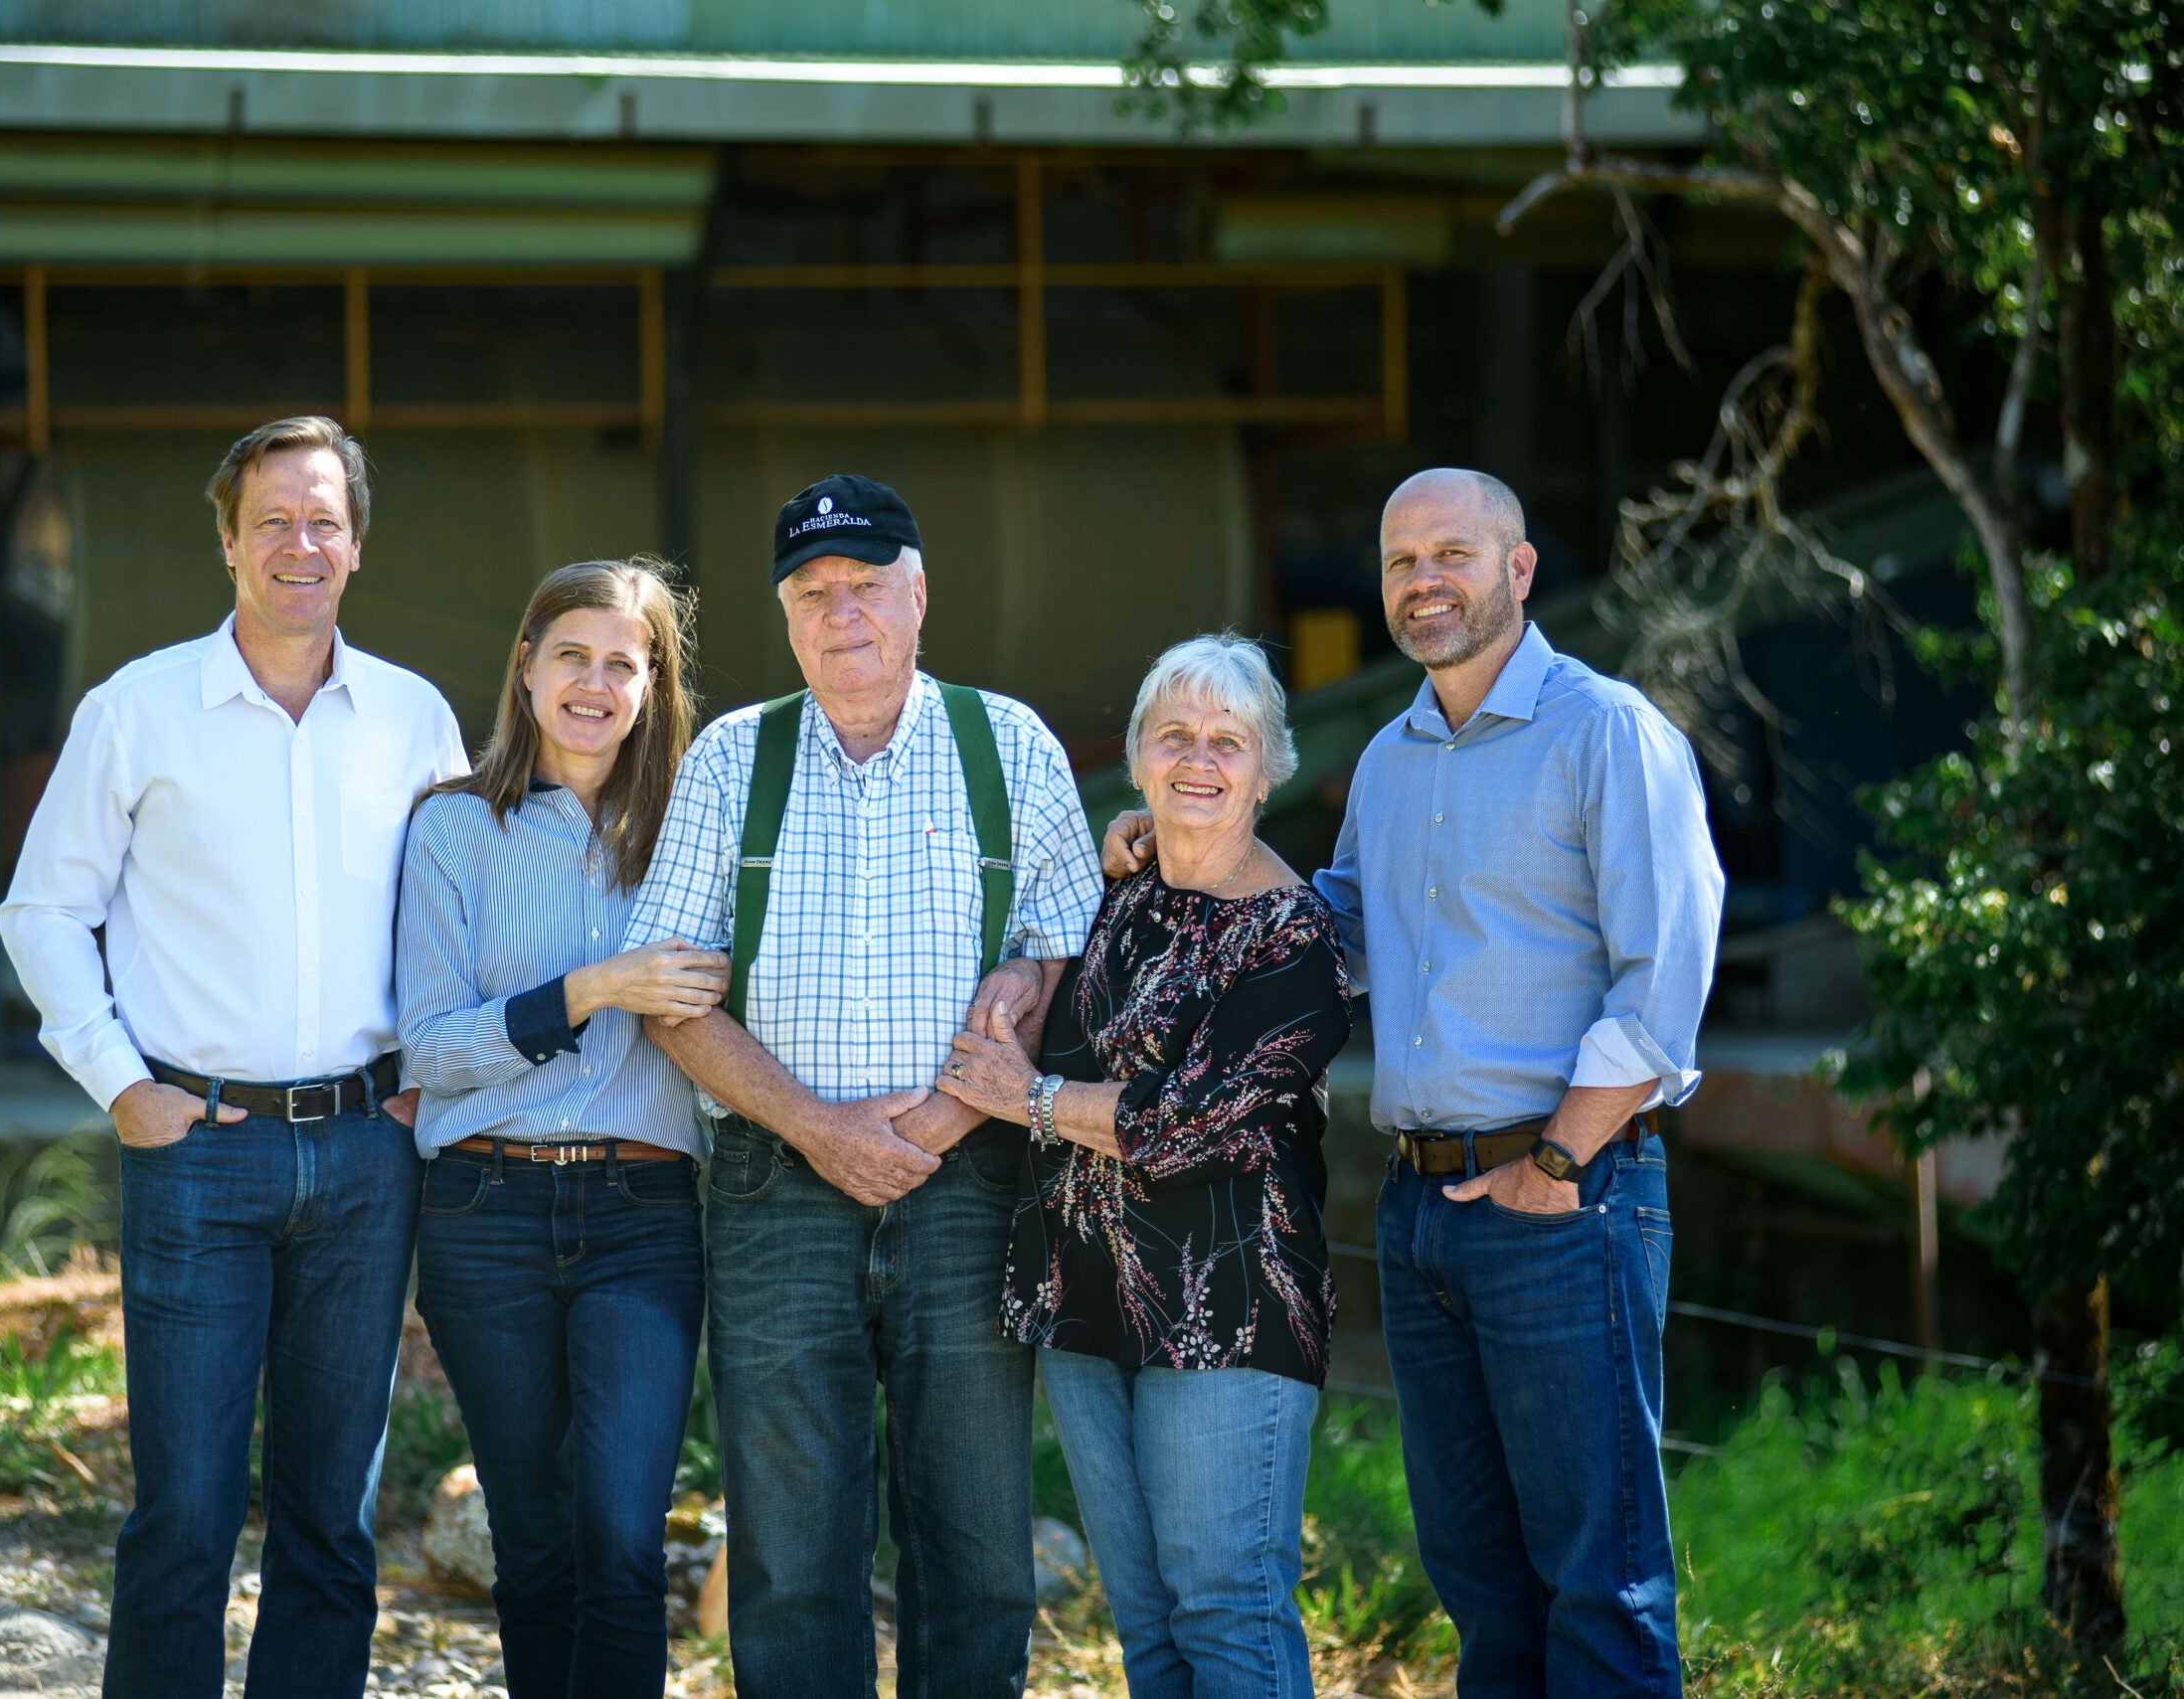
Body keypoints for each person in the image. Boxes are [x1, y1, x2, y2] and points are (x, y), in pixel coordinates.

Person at [1102, 469, 1724, 1698]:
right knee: (1481, 1583)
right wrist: (1187, 840)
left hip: (1562, 1195)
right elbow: (1335, 927)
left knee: (1598, 1583)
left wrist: (1557, 1162)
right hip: (1421, 1209)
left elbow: (1664, 979)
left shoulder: (1606, 731)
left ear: (1520, 569)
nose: (1424, 578)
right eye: (1400, 560)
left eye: (1453, 552)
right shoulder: (1392, 758)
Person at [0, 416, 468, 1698]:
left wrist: (428, 1073)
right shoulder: (138, 709)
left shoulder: (416, 720)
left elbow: (463, 914)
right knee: (187, 1514)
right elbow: (41, 909)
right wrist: (119, 1083)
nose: (299, 543)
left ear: (357, 546)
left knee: (332, 1517)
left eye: (324, 520)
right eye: (273, 520)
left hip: (370, 1155)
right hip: (198, 1150)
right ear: (227, 542)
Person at [622, 474, 1104, 1698]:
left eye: (866, 584)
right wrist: (817, 1127)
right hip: (776, 1184)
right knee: (790, 1549)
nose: (843, 614)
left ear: (920, 592)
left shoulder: (1011, 744)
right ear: (785, 617)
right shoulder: (733, 760)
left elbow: (1056, 948)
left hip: (972, 1179)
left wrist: (941, 1117)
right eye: (812, 592)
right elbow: (673, 995)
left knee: (979, 1537)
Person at [938, 632, 1348, 1699]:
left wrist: (1022, 1097)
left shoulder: (1295, 937)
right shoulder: (1110, 889)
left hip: (1230, 1304)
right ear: (1137, 756)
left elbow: (1184, 1120)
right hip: (1083, 1297)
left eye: (1229, 740)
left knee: (1225, 1605)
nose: (1199, 759)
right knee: (1148, 1624)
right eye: (1175, 736)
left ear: (1269, 769)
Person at [394, 559, 727, 1699]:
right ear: (526, 666)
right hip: (484, 1212)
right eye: (570, 655)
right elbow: (428, 1048)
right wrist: (591, 988)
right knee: (532, 1549)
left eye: (621, 662)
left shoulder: (699, 826)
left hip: (645, 1216)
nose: (594, 682)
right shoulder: (451, 829)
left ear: (652, 683)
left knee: (625, 1546)